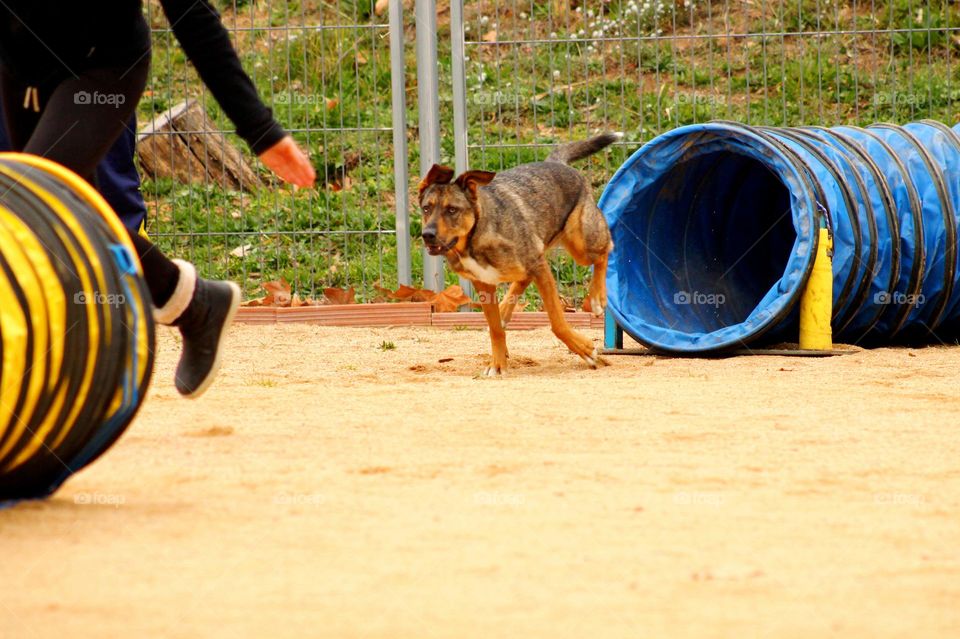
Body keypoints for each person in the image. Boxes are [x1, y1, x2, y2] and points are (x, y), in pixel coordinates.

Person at [0, 1, 316, 397]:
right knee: (71, 218)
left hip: (102, 67)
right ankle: (193, 306)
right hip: (20, 67)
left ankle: (184, 305)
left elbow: (193, 17)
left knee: (37, 198)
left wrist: (260, 130)